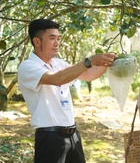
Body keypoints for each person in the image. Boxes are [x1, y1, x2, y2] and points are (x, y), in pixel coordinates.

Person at [17, 19, 117, 163]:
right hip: (50, 138)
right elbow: (57, 79)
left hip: (73, 135)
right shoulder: (27, 67)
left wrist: (107, 61)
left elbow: (88, 75)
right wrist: (89, 62)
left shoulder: (59, 63)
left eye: (58, 38)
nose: (57, 43)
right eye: (52, 38)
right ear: (37, 42)